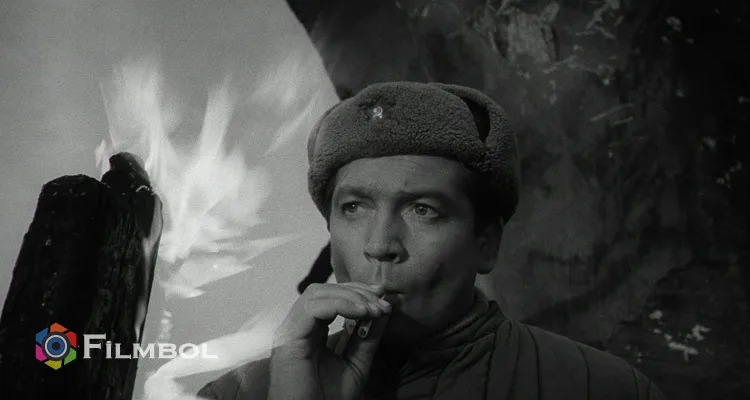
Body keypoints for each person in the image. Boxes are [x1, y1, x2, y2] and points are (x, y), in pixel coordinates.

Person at [196, 81, 666, 399]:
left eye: (423, 210)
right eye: (354, 208)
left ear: (486, 243)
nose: (381, 244)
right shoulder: (235, 394)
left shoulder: (605, 390)